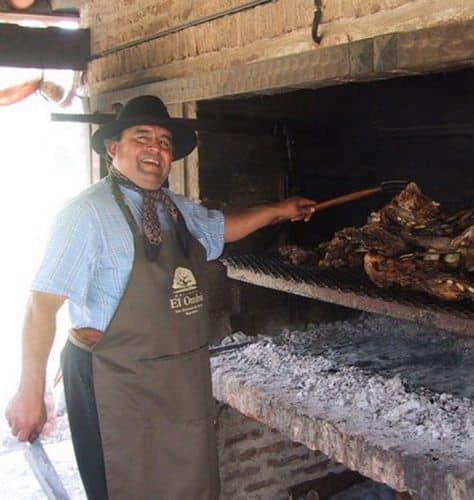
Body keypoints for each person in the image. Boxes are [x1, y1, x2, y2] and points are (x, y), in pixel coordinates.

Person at [5, 95, 316, 499]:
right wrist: (32, 392)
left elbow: (223, 228)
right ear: (113, 148)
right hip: (114, 379)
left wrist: (278, 210)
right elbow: (41, 306)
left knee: (187, 486)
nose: (156, 149)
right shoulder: (85, 215)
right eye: (143, 137)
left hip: (177, 379)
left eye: (165, 142)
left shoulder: (175, 210)